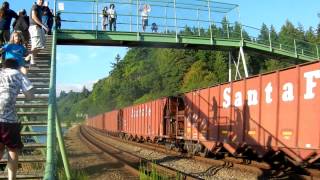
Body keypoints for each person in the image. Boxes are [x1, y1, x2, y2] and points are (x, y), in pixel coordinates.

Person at [0, 57, 34, 180]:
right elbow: (30, 96)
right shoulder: (19, 75)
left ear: (4, 66)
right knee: (12, 150)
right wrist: (24, 75)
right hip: (9, 120)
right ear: (17, 66)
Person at [28, 0, 48, 65]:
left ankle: (29, 56)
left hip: (39, 28)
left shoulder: (39, 8)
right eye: (40, 0)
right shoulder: (35, 6)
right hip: (34, 27)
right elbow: (34, 17)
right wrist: (43, 26)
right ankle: (31, 59)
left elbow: (44, 12)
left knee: (42, 45)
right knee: (35, 45)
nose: (41, 1)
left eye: (42, 0)